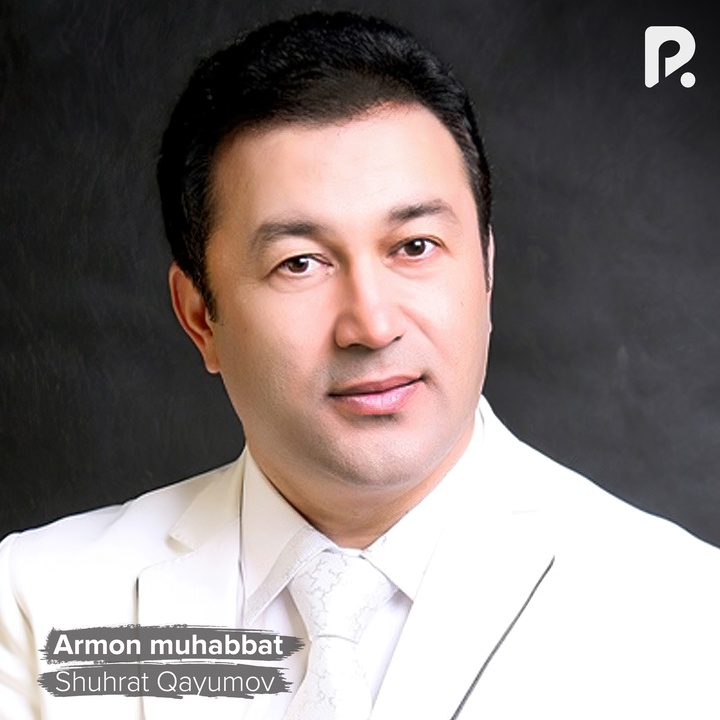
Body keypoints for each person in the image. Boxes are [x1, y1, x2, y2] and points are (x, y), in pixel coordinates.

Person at [1, 11, 718, 720]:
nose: (372, 326)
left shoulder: (685, 617)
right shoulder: (39, 608)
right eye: (300, 263)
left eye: (415, 247)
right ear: (200, 317)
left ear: (486, 271)